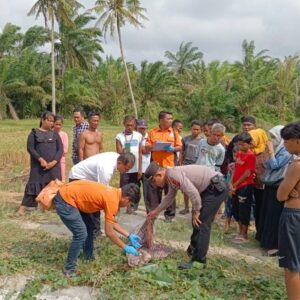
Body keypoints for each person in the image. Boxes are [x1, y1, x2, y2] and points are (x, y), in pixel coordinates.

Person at [145, 162, 228, 269]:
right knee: (197, 222)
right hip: (210, 189)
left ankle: (199, 262)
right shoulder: (171, 177)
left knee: (202, 223)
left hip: (215, 188)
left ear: (159, 175)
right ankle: (193, 250)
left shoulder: (172, 174)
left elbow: (193, 193)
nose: (156, 185)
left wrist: (196, 210)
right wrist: (156, 211)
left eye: (154, 181)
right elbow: (170, 197)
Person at [54, 181, 141, 276]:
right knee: (81, 234)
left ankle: (88, 257)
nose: (127, 207)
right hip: (65, 199)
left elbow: (112, 223)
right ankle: (69, 269)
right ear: (127, 199)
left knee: (89, 228)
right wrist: (125, 247)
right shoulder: (112, 201)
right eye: (130, 204)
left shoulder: (114, 193)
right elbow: (109, 232)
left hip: (73, 195)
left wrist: (128, 235)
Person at [17, 111, 63, 216]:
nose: (51, 123)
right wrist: (40, 159)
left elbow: (60, 150)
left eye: (52, 121)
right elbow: (30, 148)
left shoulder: (55, 134)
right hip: (38, 166)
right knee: (33, 185)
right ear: (42, 120)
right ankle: (22, 208)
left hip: (53, 167)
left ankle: (51, 207)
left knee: (54, 187)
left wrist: (54, 161)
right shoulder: (34, 133)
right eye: (49, 120)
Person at [256, 125, 292, 255]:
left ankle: (272, 244)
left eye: (274, 137)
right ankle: (263, 239)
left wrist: (270, 152)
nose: (271, 140)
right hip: (270, 184)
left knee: (273, 214)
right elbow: (266, 164)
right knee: (266, 212)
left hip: (278, 185)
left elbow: (275, 165)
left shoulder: (286, 151)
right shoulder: (277, 149)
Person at [276, 121, 300, 300]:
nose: (284, 144)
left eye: (286, 141)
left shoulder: (296, 166)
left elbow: (281, 195)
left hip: (294, 216)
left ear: (297, 141)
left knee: (292, 265)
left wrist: (287, 190)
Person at [145, 111, 182, 221]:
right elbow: (146, 147)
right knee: (153, 191)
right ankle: (152, 213)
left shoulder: (174, 133)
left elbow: (180, 147)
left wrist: (173, 149)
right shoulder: (152, 132)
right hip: (156, 166)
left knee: (170, 190)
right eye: (168, 119)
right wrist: (154, 146)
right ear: (161, 120)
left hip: (169, 167)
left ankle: (169, 215)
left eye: (171, 118)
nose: (171, 121)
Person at [230, 132, 256, 243]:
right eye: (239, 145)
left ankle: (244, 234)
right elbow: (235, 169)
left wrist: (235, 185)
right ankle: (239, 231)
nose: (241, 147)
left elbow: (247, 174)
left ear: (249, 144)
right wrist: (231, 184)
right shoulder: (239, 153)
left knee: (244, 210)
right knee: (236, 209)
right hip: (235, 186)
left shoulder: (251, 156)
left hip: (245, 186)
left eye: (243, 145)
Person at [116, 116, 142, 212]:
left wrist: (140, 169)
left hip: (135, 168)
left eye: (132, 125)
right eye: (127, 125)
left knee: (134, 187)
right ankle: (117, 205)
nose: (129, 127)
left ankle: (130, 207)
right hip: (125, 168)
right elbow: (118, 152)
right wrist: (124, 150)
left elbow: (140, 153)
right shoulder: (119, 136)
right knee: (123, 187)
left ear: (134, 125)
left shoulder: (138, 136)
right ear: (124, 124)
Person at [179, 120, 202, 215]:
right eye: (194, 129)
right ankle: (186, 207)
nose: (195, 131)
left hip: (197, 166)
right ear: (191, 129)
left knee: (196, 189)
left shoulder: (203, 141)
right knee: (185, 188)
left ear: (200, 130)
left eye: (197, 129)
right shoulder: (185, 139)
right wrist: (180, 164)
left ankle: (195, 208)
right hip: (186, 165)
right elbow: (181, 152)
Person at [68, 152, 135, 184]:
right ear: (120, 163)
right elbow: (103, 189)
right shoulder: (107, 168)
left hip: (87, 179)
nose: (127, 171)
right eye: (126, 169)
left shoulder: (117, 157)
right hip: (77, 177)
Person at [136, 119, 151, 210]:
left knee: (147, 190)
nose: (142, 130)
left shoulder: (149, 137)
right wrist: (142, 149)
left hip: (146, 168)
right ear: (136, 127)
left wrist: (139, 148)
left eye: (144, 128)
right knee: (135, 188)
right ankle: (134, 207)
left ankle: (148, 208)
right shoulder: (133, 136)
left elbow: (147, 150)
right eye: (140, 128)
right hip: (135, 167)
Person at [53, 115, 68, 181]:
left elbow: (65, 150)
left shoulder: (64, 135)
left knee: (61, 178)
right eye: (56, 124)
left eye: (60, 125)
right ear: (53, 123)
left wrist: (56, 158)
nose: (58, 126)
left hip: (61, 160)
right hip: (50, 161)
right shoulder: (49, 133)